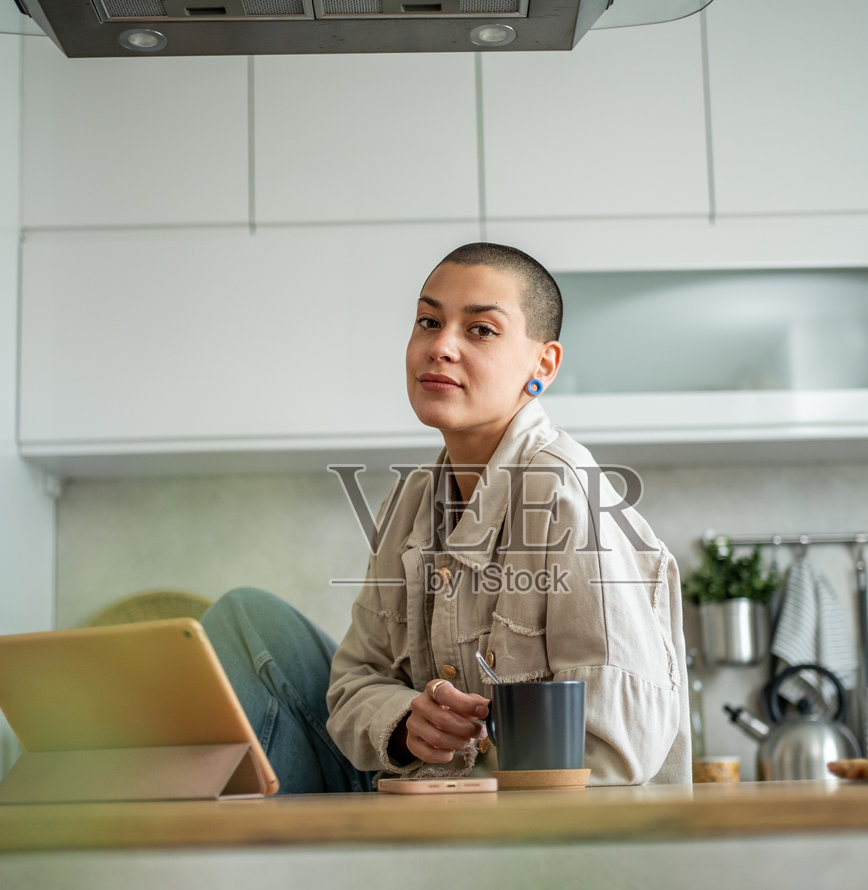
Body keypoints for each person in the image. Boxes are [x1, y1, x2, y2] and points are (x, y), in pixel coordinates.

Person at [200, 243, 689, 791]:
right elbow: (355, 682)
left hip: (542, 843)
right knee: (245, 619)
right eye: (429, 321)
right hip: (422, 801)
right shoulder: (408, 503)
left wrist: (463, 766)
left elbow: (616, 752)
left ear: (543, 365)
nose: (441, 347)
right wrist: (407, 722)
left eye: (480, 330)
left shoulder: (566, 496)